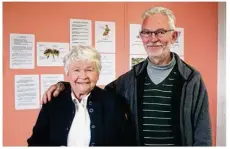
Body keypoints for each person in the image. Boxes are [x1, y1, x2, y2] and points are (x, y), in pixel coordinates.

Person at [42, 7, 212, 146]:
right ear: (141, 36)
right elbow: (94, 91)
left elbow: (203, 134)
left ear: (174, 36)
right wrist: (65, 85)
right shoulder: (130, 79)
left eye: (160, 32)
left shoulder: (191, 79)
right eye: (146, 32)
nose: (153, 39)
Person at [27, 45, 136, 146]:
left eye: (89, 70)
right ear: (67, 73)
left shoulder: (114, 103)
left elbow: (127, 143)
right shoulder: (53, 101)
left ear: (98, 73)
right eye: (76, 70)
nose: (83, 76)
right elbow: (36, 142)